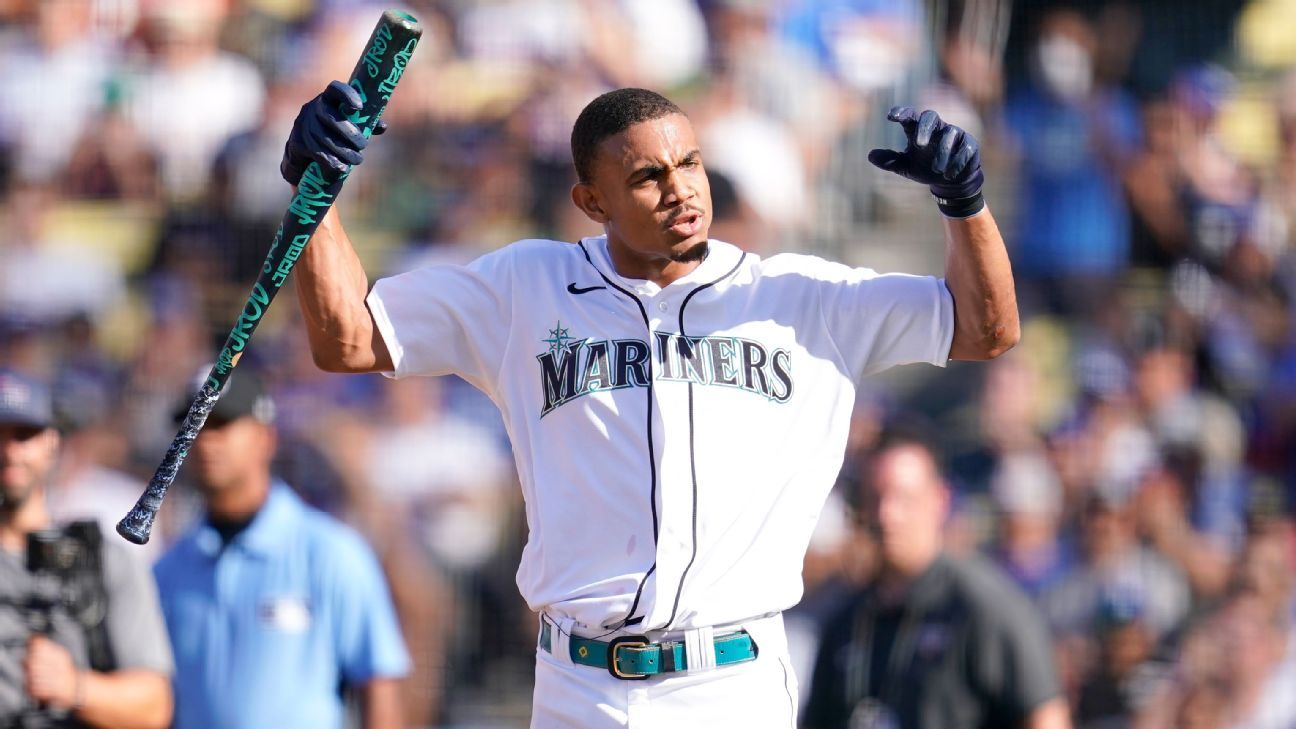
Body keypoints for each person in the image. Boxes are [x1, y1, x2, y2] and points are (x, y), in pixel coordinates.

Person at [284, 78, 1019, 727]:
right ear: (590, 200)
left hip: (732, 684)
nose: (682, 188)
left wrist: (965, 206)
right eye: (648, 175)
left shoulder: (800, 296)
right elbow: (347, 339)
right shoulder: (525, 288)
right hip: (579, 685)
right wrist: (318, 191)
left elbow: (987, 328)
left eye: (690, 162)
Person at [151, 369, 411, 729]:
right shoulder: (169, 569)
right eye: (192, 426)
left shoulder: (331, 554)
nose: (204, 440)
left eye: (221, 423)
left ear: (265, 438)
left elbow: (378, 682)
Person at [805, 434, 1070, 729]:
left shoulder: (983, 605)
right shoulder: (848, 618)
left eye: (904, 497)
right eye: (875, 497)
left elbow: (1046, 716)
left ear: (940, 499)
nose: (887, 514)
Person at [0, 368, 174, 729]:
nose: (9, 451)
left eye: (24, 434)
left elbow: (154, 706)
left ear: (52, 443)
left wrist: (75, 687)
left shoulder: (103, 561)